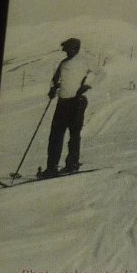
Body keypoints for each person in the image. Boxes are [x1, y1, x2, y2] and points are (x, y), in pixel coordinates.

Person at [44, 38, 92, 178]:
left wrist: (86, 85)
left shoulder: (83, 62)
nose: (67, 51)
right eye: (66, 49)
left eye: (70, 48)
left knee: (74, 135)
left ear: (76, 49)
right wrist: (53, 89)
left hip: (77, 102)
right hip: (62, 102)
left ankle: (72, 165)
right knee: (55, 136)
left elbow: (98, 73)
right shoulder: (63, 63)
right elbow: (55, 80)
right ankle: (51, 167)